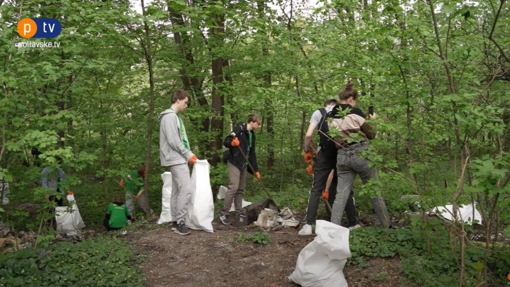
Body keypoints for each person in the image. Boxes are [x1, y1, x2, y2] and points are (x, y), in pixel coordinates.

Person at [328, 82, 390, 228]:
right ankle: (387, 227)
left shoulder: (331, 118)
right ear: (351, 100)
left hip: (342, 155)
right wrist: (372, 121)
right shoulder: (356, 112)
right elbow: (371, 135)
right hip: (361, 153)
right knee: (374, 191)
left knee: (341, 195)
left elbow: (333, 138)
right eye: (354, 101)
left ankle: (332, 229)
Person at [299, 99, 359, 236]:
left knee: (316, 189)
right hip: (342, 154)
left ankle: (309, 225)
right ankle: (353, 223)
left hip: (325, 155)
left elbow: (308, 135)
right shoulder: (345, 113)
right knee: (345, 189)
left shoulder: (319, 113)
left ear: (326, 104)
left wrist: (306, 149)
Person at [158, 89, 198, 236]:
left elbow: (180, 139)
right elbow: (174, 140)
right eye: (186, 102)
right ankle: (181, 221)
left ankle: (175, 220)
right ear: (178, 100)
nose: (186, 106)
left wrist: (189, 154)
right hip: (176, 158)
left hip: (177, 158)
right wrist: (188, 154)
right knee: (186, 189)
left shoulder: (173, 117)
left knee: (177, 190)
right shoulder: (169, 117)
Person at [220, 114, 262, 225]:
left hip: (244, 164)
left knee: (240, 189)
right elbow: (226, 141)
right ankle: (224, 213)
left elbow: (252, 153)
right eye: (258, 124)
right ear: (252, 122)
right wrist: (232, 143)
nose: (259, 126)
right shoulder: (240, 129)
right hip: (234, 162)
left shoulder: (252, 135)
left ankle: (239, 212)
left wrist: (255, 170)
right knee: (233, 187)